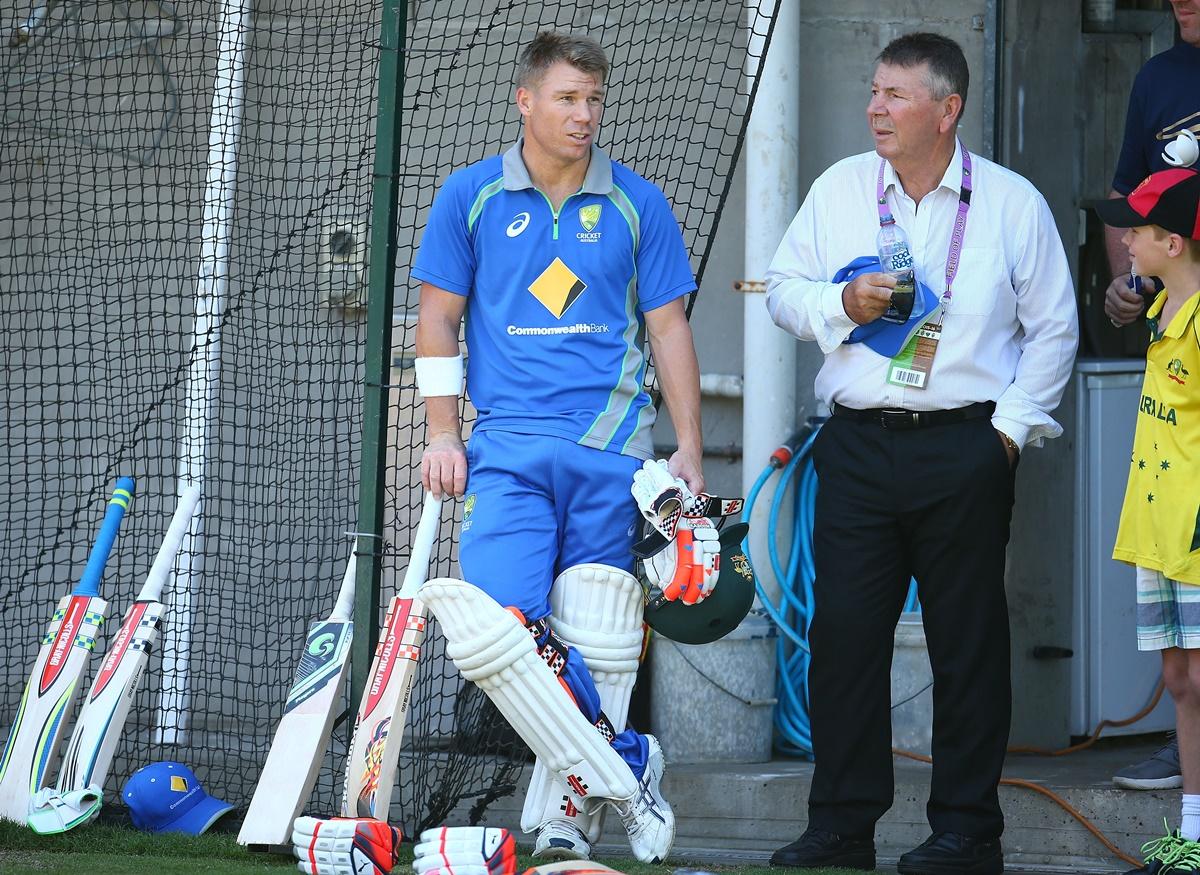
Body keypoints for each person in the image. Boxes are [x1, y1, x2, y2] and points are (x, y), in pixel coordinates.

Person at [763, 32, 1078, 874]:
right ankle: (840, 827)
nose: (875, 107)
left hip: (965, 447)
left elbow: (1055, 328)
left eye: (896, 95)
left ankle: (967, 833)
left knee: (967, 644)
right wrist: (841, 301)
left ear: (948, 109)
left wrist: (1008, 434)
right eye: (872, 91)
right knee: (845, 641)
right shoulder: (839, 191)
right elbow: (783, 292)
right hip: (859, 446)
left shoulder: (1012, 204)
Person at [411, 31, 705, 865]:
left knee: (603, 640)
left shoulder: (636, 202)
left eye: (595, 100)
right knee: (497, 634)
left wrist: (687, 447)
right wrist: (441, 429)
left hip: (614, 453)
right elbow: (438, 319)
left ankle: (565, 819)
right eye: (569, 98)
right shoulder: (470, 195)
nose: (585, 115)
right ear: (525, 100)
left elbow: (669, 327)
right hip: (504, 448)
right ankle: (629, 764)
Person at [1104, 0, 1200, 792]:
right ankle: (1190, 781)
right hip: (1162, 509)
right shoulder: (1158, 78)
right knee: (1184, 669)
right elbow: (1125, 194)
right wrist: (1126, 281)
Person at [1095, 168, 1200, 874]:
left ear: (1173, 239)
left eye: (1136, 227)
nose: (1123, 237)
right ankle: (1193, 833)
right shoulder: (1162, 310)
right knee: (1179, 678)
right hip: (1156, 529)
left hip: (1193, 530)